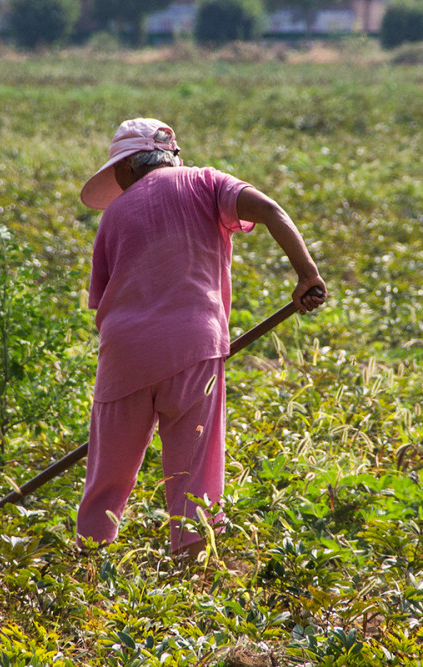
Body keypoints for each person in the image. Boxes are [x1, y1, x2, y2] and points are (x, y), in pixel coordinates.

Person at [76, 118, 326, 560]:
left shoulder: (114, 213)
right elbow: (271, 210)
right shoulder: (206, 182)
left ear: (127, 168)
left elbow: (101, 300)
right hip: (194, 347)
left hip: (124, 355)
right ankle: (191, 572)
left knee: (108, 471)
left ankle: (88, 566)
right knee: (194, 471)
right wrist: (307, 274)